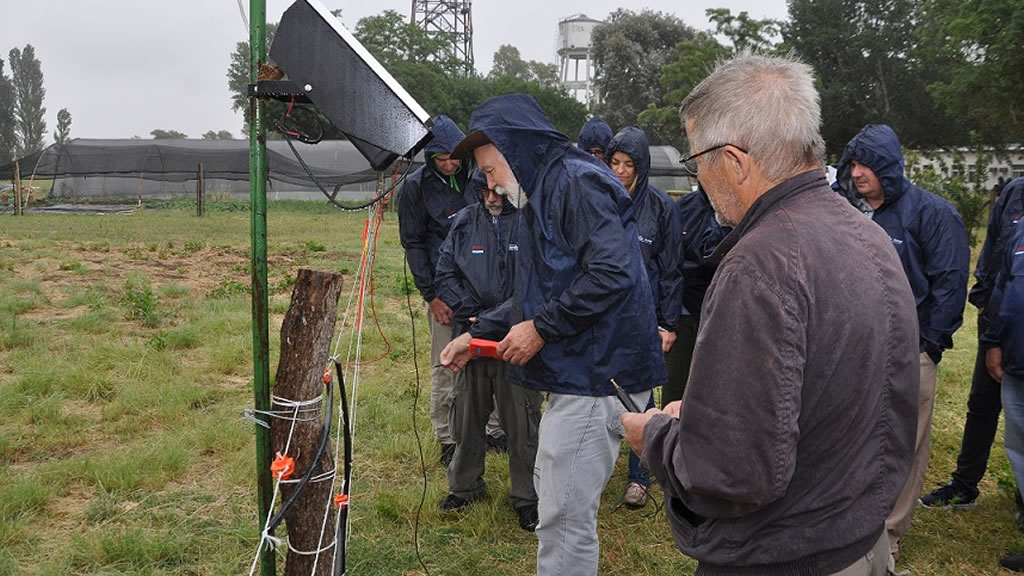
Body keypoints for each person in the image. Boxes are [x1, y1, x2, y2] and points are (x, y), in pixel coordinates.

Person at [621, 53, 920, 575]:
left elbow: (732, 473)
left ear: (734, 161)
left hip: (784, 556)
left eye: (698, 162)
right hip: (859, 542)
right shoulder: (867, 235)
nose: (699, 179)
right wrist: (711, 418)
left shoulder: (759, 266)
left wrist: (657, 438)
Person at [441, 93, 664, 576]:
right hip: (580, 370)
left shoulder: (576, 183)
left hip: (600, 372)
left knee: (563, 516)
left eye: (491, 168)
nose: (491, 184)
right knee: (555, 496)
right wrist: (476, 333)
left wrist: (541, 329)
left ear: (514, 150)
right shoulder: (544, 191)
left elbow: (611, 273)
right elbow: (533, 292)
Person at [834, 123, 970, 564]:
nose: (856, 173)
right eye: (852, 163)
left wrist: (927, 346)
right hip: (856, 347)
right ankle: (852, 520)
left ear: (889, 167)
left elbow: (950, 286)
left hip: (910, 351)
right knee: (853, 433)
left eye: (866, 164)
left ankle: (889, 532)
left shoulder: (931, 214)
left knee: (904, 442)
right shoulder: (847, 211)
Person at [434, 171, 542, 532]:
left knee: (522, 422)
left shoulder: (529, 223)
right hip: (472, 341)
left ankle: (527, 496)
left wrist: (492, 320)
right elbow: (444, 273)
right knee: (465, 416)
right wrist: (468, 312)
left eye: (497, 191)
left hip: (515, 340)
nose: (492, 199)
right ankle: (464, 487)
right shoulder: (464, 223)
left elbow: (533, 288)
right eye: (484, 191)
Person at [398, 115, 503, 466]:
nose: (449, 164)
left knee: (490, 358)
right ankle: (446, 435)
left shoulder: (478, 181)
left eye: (454, 157)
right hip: (443, 290)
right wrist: (432, 295)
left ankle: (493, 429)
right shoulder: (415, 187)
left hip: (485, 289)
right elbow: (413, 243)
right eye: (441, 158)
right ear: (429, 157)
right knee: (445, 363)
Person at [920, 176, 1024, 509]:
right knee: (982, 404)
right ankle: (965, 485)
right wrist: (983, 301)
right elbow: (995, 248)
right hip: (998, 319)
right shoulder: (1014, 192)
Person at [605, 125, 682, 509]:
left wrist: (667, 323)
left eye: (628, 164)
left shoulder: (662, 209)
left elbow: (670, 271)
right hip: (602, 315)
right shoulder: (598, 200)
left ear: (641, 167)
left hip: (643, 316)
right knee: (598, 390)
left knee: (640, 394)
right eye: (614, 162)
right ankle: (595, 467)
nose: (619, 170)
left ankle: (640, 475)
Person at [980, 214, 1024, 571]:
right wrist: (993, 341)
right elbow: (1001, 288)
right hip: (1016, 365)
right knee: (1019, 451)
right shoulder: (1020, 230)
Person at [662, 184, 729, 407]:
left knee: (716, 380)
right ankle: (667, 433)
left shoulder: (736, 206)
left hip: (722, 308)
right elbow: (670, 259)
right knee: (674, 379)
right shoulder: (683, 207)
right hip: (684, 307)